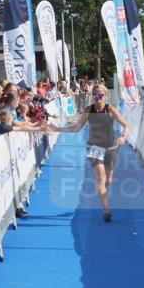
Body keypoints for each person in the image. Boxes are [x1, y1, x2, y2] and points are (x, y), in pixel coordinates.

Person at [51, 84, 131, 222]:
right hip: (93, 147)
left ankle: (103, 195)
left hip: (111, 147)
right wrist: (58, 129)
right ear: (92, 96)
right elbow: (77, 127)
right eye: (95, 95)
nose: (98, 98)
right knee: (100, 178)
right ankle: (106, 210)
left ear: (104, 96)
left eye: (100, 95)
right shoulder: (89, 110)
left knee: (108, 181)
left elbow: (127, 125)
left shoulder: (110, 109)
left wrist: (123, 136)